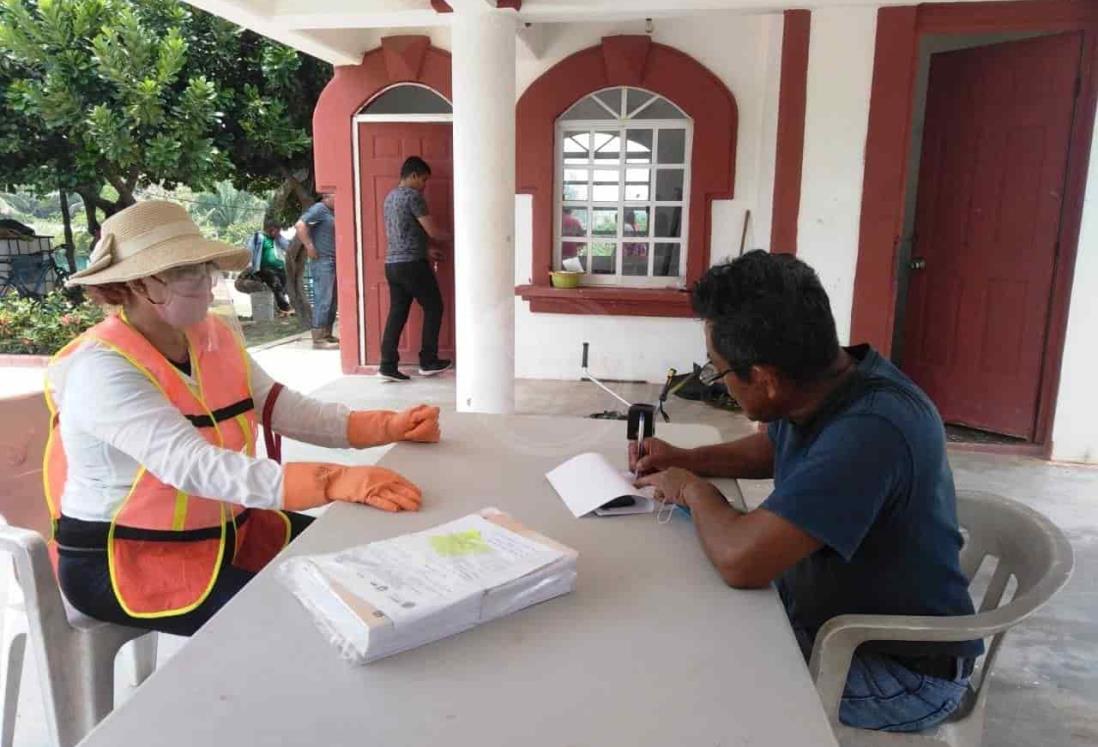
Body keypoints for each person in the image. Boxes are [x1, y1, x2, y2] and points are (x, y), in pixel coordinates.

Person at [49, 200, 442, 636]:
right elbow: (190, 465)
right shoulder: (100, 368)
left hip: (228, 529)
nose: (201, 282)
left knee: (360, 563)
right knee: (306, 621)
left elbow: (278, 405)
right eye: (182, 272)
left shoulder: (210, 335)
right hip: (126, 556)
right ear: (136, 285)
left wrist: (383, 426)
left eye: (203, 267)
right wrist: (330, 481)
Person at [633, 250, 983, 734]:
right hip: (832, 615)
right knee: (678, 613)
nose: (723, 385)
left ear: (767, 379)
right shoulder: (827, 384)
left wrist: (692, 490)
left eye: (720, 372)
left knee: (691, 678)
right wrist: (687, 458)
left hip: (897, 670)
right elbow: (772, 449)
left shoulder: (871, 431)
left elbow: (742, 560)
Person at [379, 156, 452, 382]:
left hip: (392, 264)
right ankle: (428, 361)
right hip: (412, 265)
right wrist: (462, 236)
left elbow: (403, 232)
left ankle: (387, 365)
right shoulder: (413, 197)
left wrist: (428, 251)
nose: (424, 185)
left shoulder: (389, 198)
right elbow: (433, 232)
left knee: (397, 313)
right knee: (434, 307)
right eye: (423, 179)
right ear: (412, 175)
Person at [294, 193, 339, 349]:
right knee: (323, 299)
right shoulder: (319, 209)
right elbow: (300, 225)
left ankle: (327, 333)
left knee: (332, 300)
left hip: (333, 260)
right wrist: (309, 246)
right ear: (326, 197)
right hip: (322, 260)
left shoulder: (332, 212)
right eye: (336, 196)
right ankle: (318, 338)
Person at [245, 218, 292, 314]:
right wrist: (249, 265)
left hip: (281, 268)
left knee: (283, 288)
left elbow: (288, 247)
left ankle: (278, 310)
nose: (278, 232)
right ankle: (285, 307)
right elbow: (249, 251)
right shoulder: (257, 237)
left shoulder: (278, 239)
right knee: (276, 285)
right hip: (265, 268)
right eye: (277, 230)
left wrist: (279, 237)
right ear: (270, 229)